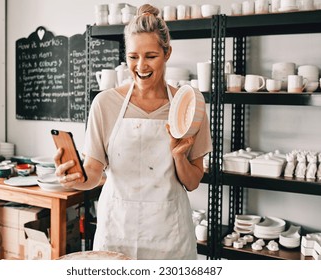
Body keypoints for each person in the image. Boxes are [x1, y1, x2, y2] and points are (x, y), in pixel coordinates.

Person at [54, 4, 212, 260]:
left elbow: (193, 182)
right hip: (118, 230)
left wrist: (179, 156)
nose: (141, 66)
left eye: (151, 56)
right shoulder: (105, 104)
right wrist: (75, 178)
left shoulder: (188, 106)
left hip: (169, 234)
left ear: (167, 53)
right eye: (133, 57)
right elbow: (93, 171)